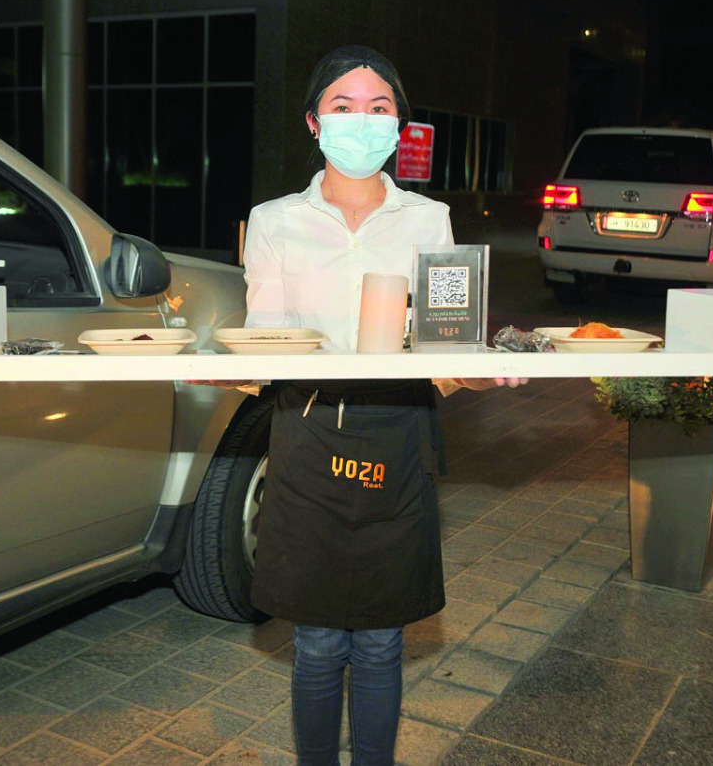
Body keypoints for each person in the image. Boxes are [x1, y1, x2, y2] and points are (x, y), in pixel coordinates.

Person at [209, 45, 525, 766]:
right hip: (308, 432)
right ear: (314, 122)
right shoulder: (274, 221)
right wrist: (219, 373)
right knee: (318, 641)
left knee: (382, 640)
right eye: (343, 105)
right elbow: (265, 340)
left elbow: (445, 345)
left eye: (379, 107)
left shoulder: (429, 219)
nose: (362, 119)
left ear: (398, 125)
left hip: (399, 430)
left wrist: (477, 376)